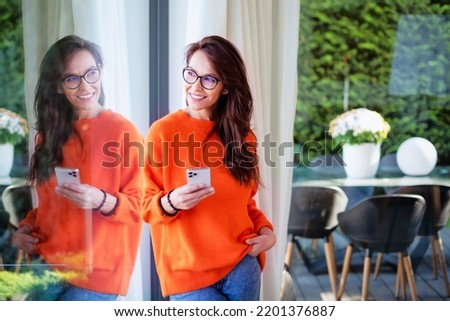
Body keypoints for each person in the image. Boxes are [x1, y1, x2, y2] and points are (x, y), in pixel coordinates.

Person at [143, 35, 276, 301]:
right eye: (191, 74)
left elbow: (245, 202)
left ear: (225, 87)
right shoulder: (163, 132)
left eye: (209, 79)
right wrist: (170, 202)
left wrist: (266, 232)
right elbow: (142, 203)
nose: (196, 86)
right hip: (187, 276)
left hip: (241, 265)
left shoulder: (242, 137)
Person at [11, 35, 143, 300]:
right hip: (46, 265)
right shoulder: (48, 136)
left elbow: (141, 206)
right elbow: (50, 206)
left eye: (91, 73)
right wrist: (24, 229)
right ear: (58, 86)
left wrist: (101, 200)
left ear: (100, 72)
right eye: (72, 78)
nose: (85, 85)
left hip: (97, 273)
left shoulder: (122, 132)